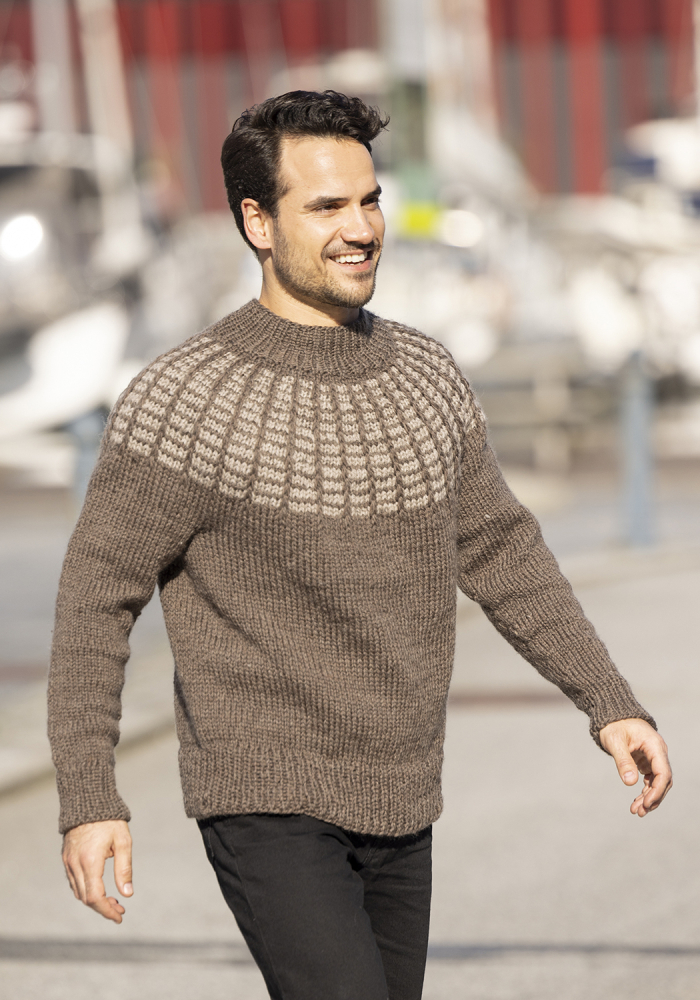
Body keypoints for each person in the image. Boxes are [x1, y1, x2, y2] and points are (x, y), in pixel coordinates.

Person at [49, 90, 672, 1000]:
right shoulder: (185, 398)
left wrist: (608, 702)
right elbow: (95, 597)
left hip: (402, 792)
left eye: (369, 200)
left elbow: (503, 551)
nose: (361, 228)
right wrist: (88, 795)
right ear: (258, 223)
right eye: (327, 206)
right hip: (263, 795)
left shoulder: (426, 376)